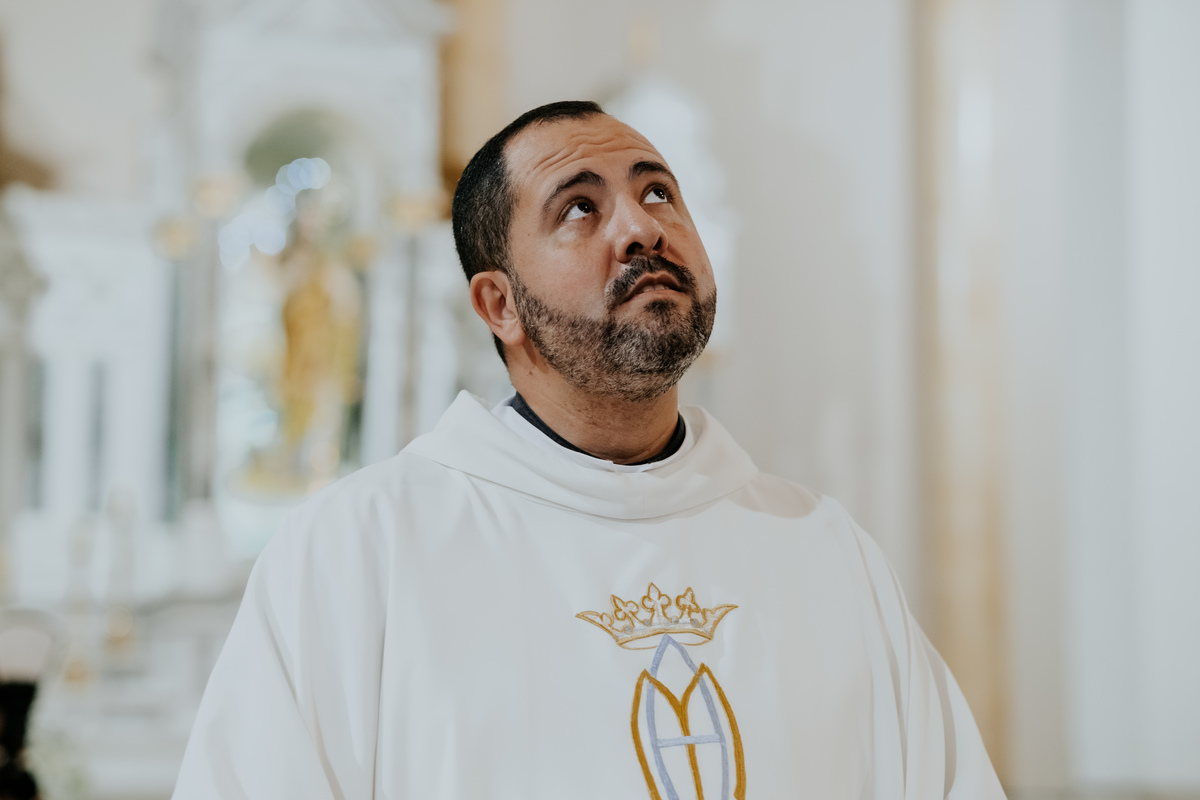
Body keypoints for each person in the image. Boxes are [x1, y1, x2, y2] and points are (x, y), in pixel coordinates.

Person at [173, 101, 1006, 799]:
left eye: (659, 193)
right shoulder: (360, 552)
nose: (642, 227)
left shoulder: (824, 549)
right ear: (499, 305)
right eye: (579, 208)